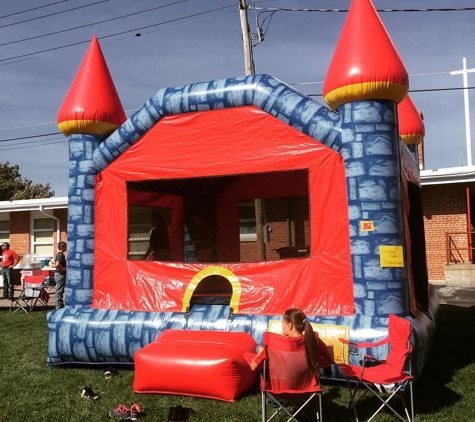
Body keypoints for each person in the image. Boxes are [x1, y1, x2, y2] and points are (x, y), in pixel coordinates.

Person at [250, 308, 333, 379]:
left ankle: (269, 397)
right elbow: (329, 360)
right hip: (307, 389)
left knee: (258, 349)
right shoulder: (312, 340)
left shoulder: (276, 343)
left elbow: (253, 366)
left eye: (283, 322)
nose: (282, 325)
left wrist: (261, 352)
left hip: (279, 389)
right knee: (329, 345)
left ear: (290, 325)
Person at [54, 241, 67, 309]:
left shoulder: (61, 255)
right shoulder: (60, 255)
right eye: (65, 246)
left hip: (59, 275)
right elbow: (57, 264)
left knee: (61, 290)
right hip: (59, 274)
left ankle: (60, 305)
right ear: (61, 247)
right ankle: (58, 306)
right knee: (59, 291)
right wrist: (63, 269)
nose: (66, 248)